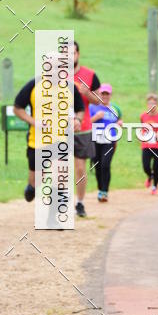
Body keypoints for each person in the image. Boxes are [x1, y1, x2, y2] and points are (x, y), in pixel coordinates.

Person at [14, 77, 84, 203]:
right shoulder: (34, 85)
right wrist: (34, 122)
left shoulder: (70, 87)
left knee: (58, 177)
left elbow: (80, 109)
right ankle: (32, 188)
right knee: (36, 182)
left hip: (61, 140)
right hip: (37, 141)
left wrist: (77, 120)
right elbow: (17, 108)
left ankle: (53, 218)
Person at [73, 41, 101, 218]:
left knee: (80, 169)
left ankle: (80, 203)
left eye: (73, 53)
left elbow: (99, 101)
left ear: (78, 54)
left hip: (82, 128)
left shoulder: (90, 75)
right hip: (59, 128)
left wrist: (86, 93)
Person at [89, 83, 122, 202]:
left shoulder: (115, 108)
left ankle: (104, 192)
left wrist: (119, 124)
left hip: (109, 140)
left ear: (110, 95)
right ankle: (100, 189)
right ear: (99, 94)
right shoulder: (92, 107)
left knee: (105, 165)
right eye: (102, 94)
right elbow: (85, 124)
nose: (104, 96)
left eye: (107, 94)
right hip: (96, 140)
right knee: (98, 166)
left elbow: (119, 120)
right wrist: (96, 118)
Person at [140, 93, 158, 194]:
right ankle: (150, 176)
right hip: (146, 146)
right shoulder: (143, 116)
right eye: (149, 103)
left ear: (157, 104)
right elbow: (142, 128)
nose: (151, 106)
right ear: (147, 104)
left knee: (156, 167)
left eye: (153, 103)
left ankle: (155, 187)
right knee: (146, 166)